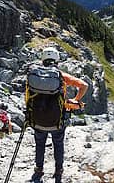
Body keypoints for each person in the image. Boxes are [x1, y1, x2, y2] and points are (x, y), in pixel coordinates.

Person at [29, 47, 88, 183]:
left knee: (40, 144)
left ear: (43, 60)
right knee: (58, 144)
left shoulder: (34, 75)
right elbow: (84, 85)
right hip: (57, 121)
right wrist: (75, 101)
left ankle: (38, 169)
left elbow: (28, 98)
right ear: (56, 60)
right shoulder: (61, 76)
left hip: (37, 120)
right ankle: (58, 170)